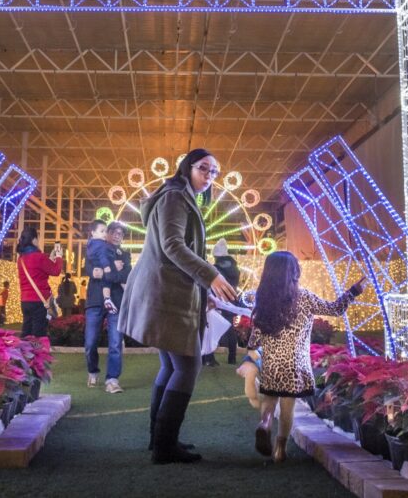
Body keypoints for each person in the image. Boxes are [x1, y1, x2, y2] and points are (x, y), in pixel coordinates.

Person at [118, 148, 238, 465]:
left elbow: (177, 248)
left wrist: (204, 291)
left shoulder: (177, 195)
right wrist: (211, 276)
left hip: (167, 291)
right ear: (187, 167)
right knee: (188, 366)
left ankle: (159, 440)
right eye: (204, 168)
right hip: (166, 293)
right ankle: (164, 446)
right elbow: (173, 245)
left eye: (215, 171)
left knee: (172, 367)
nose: (209, 176)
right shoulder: (175, 197)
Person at [246, 251, 363, 463]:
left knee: (270, 399)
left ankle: (265, 423)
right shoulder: (305, 297)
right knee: (287, 405)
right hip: (295, 363)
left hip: (272, 362)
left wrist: (253, 347)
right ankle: (280, 449)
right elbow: (335, 309)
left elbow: (256, 334)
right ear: (294, 272)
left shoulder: (264, 299)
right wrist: (353, 291)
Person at [83, 219, 126, 393]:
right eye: (112, 232)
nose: (116, 236)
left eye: (120, 234)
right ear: (106, 234)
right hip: (95, 301)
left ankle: (112, 380)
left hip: (115, 302)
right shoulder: (94, 250)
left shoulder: (124, 255)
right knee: (90, 342)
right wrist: (112, 270)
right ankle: (92, 371)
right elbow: (89, 270)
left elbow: (124, 276)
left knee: (115, 343)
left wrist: (106, 272)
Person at [16, 226, 63, 338]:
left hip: (25, 301)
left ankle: (24, 348)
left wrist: (50, 259)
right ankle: (38, 349)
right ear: (34, 240)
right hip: (39, 301)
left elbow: (37, 273)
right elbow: (55, 271)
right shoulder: (39, 257)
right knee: (39, 334)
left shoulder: (20, 259)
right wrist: (59, 257)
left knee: (27, 331)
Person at [202, 238, 241, 367]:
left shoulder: (215, 268)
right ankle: (232, 357)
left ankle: (209, 357)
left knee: (212, 328)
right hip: (231, 300)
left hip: (217, 300)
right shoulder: (235, 269)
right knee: (230, 328)